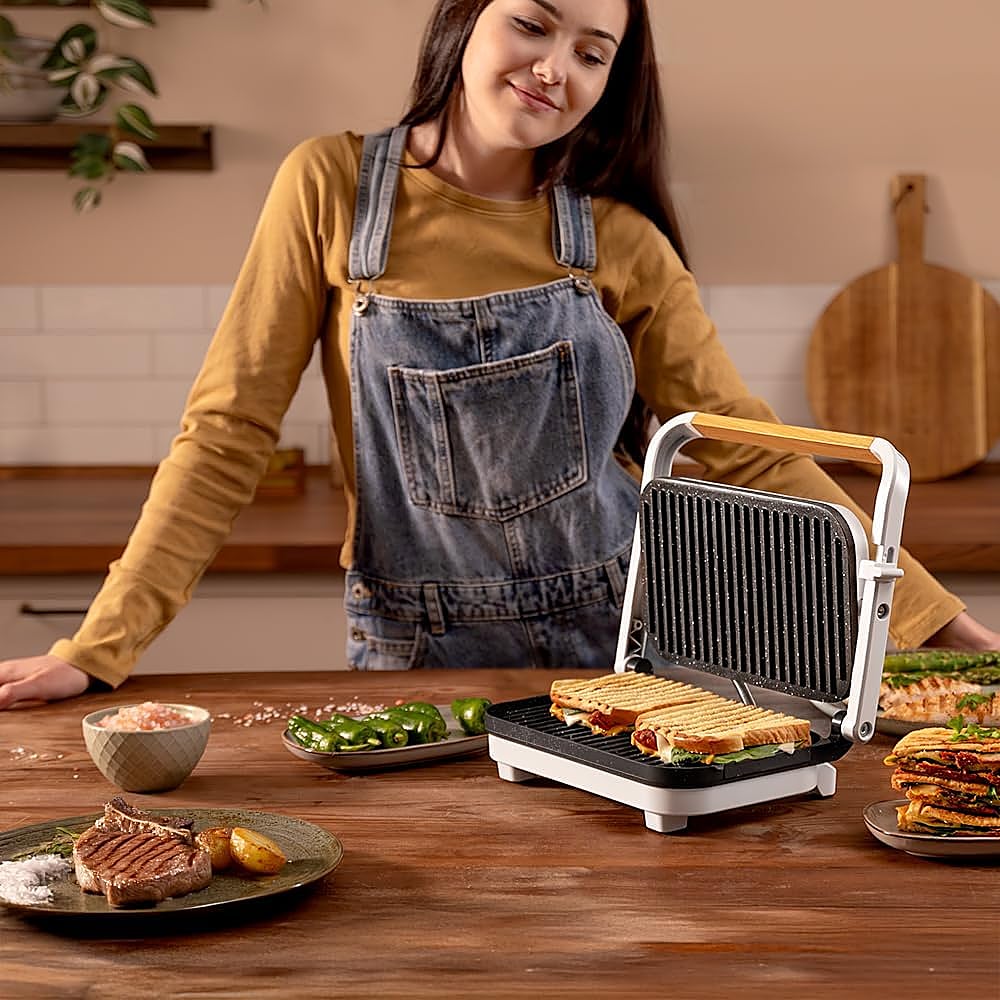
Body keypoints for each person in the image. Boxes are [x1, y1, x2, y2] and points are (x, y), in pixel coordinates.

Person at [1, 0, 996, 710]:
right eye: (533, 22)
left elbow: (747, 448)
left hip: (627, 640)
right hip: (416, 651)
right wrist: (99, 644)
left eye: (593, 51)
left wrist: (934, 621)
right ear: (463, 19)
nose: (556, 67)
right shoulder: (329, 185)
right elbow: (226, 435)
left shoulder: (622, 239)